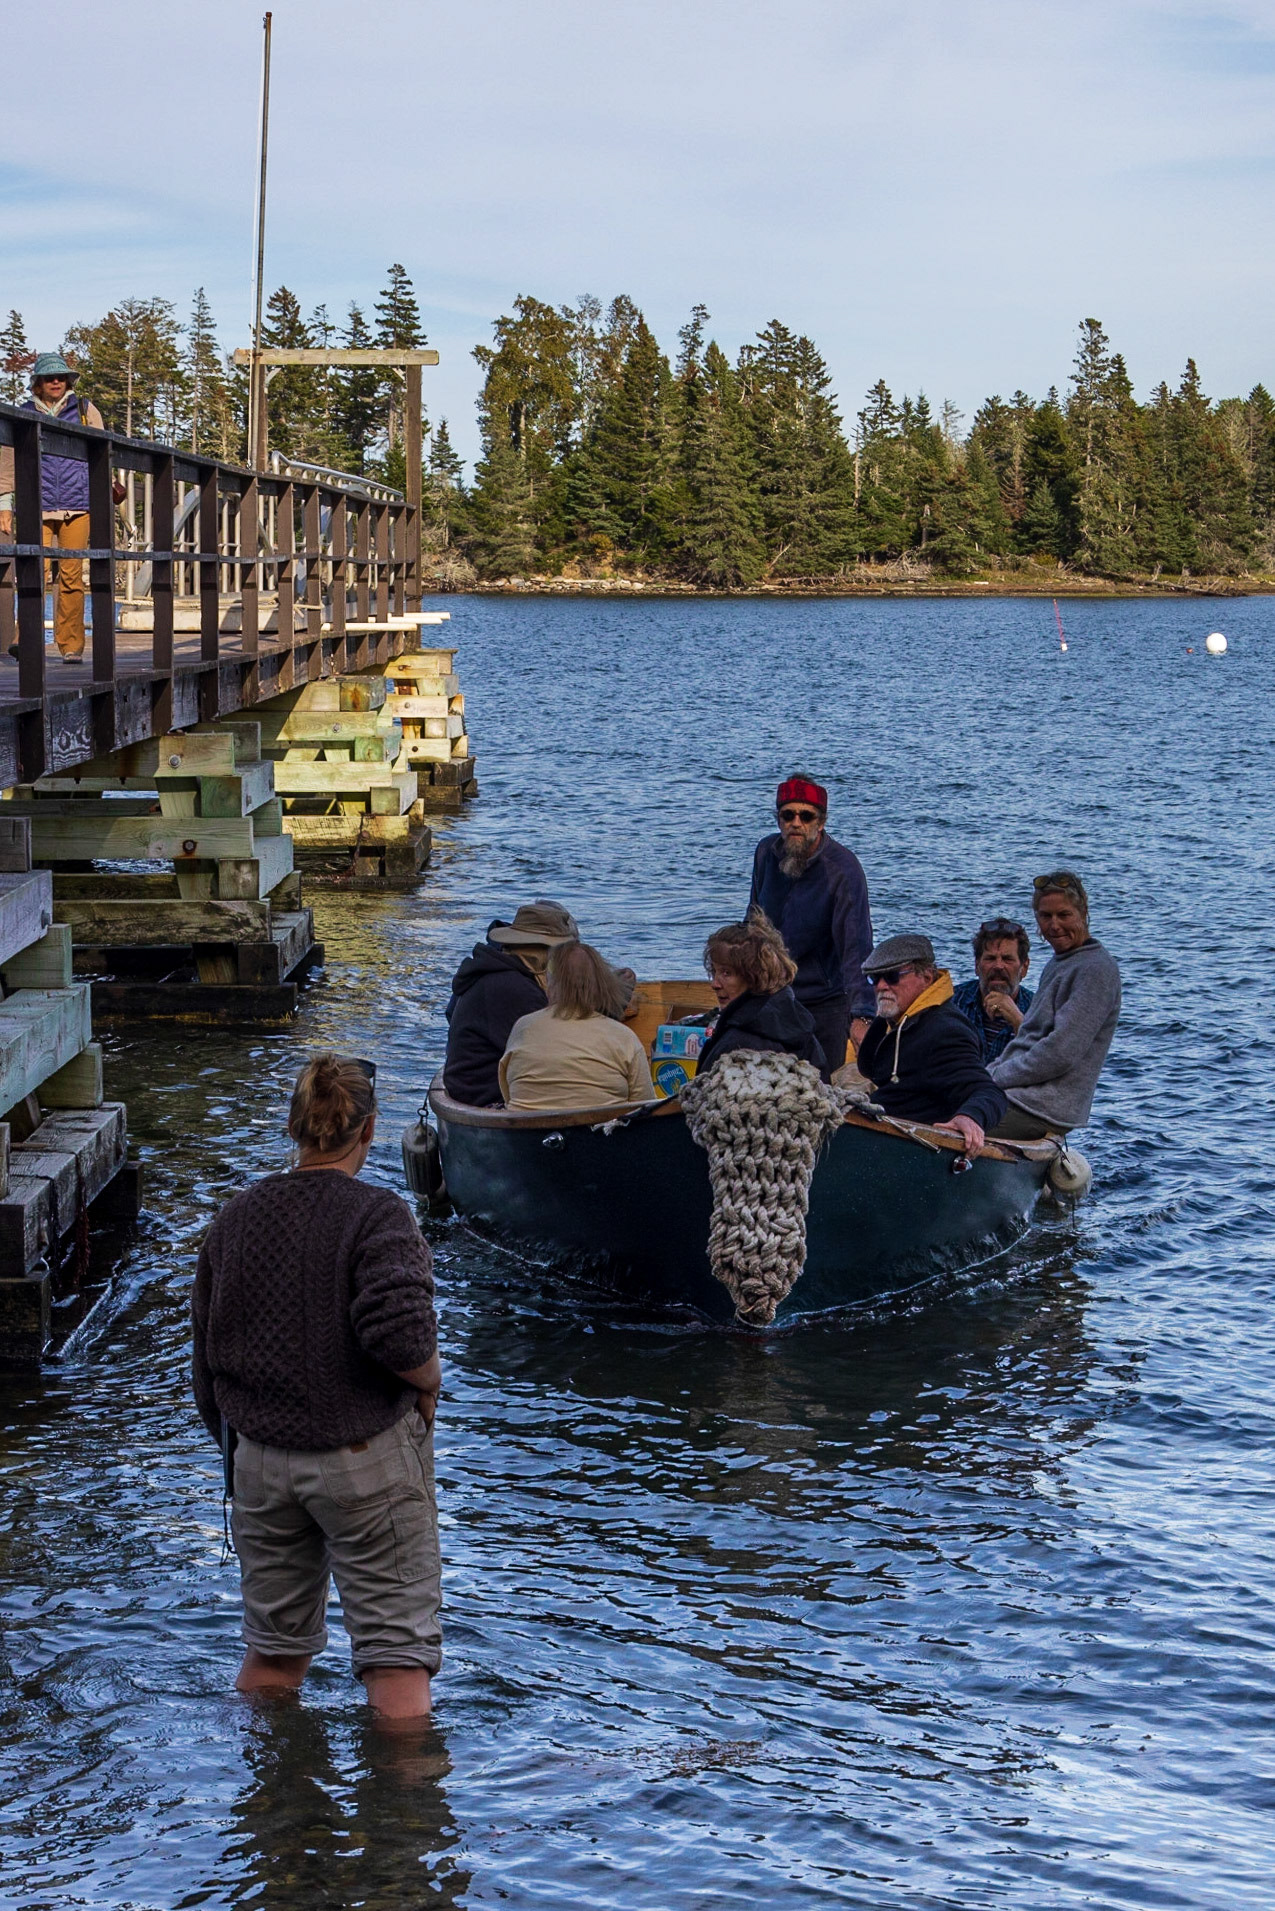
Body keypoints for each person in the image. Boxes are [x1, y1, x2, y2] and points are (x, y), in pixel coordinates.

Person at [192, 1054, 442, 1723]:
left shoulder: (237, 1216)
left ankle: (274, 1810)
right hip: (361, 1455)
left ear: (294, 1126)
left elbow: (207, 1355)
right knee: (396, 1660)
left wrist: (236, 1443)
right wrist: (429, 1382)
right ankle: (400, 1820)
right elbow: (400, 1334)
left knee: (272, 1656)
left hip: (258, 1459)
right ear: (367, 1130)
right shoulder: (377, 1214)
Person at [748, 775, 875, 1074]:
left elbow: (856, 948)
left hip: (824, 1002)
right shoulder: (765, 853)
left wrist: (863, 1015)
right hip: (771, 995)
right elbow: (753, 923)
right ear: (778, 819)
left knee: (818, 1091)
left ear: (821, 822)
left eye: (806, 816)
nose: (796, 823)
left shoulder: (843, 870)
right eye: (787, 815)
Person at [989, 871, 1121, 1139]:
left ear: (1083, 913)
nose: (1054, 925)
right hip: (1019, 1096)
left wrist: (994, 1078)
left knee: (942, 1117)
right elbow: (1029, 1037)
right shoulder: (1060, 962)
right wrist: (986, 1074)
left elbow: (1059, 1053)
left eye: (1064, 915)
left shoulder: (1095, 970)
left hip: (1041, 1108)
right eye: (1045, 916)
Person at [855, 933, 1007, 1154]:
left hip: (906, 1148)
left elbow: (988, 1092)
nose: (881, 986)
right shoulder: (896, 1019)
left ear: (927, 977)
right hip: (880, 1130)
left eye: (892, 976)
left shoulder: (946, 1032)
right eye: (874, 978)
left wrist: (970, 1117)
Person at [0, 352, 106, 661]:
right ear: (38, 383)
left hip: (79, 504)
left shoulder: (86, 410)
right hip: (36, 504)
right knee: (34, 572)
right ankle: (28, 640)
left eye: (61, 376)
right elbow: (7, 460)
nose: (56, 381)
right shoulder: (21, 413)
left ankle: (71, 646)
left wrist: (100, 501)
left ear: (69, 380)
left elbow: (102, 456)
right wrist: (5, 503)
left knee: (72, 576)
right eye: (49, 377)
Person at [443, 900, 579, 1106]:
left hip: (476, 1093)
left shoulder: (498, 973)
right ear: (544, 953)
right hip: (488, 1100)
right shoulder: (515, 988)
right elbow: (556, 1051)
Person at [500, 941, 656, 1111]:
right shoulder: (623, 1037)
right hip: (599, 1135)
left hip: (525, 1133)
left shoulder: (523, 1027)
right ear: (600, 986)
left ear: (550, 984)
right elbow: (644, 1107)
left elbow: (508, 1093)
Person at [696, 913, 827, 1079]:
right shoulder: (801, 1025)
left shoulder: (736, 1043)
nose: (714, 984)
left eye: (726, 973)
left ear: (754, 976)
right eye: (714, 972)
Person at [954, 917, 1035, 1064]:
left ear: (1024, 967)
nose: (998, 966)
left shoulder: (1039, 1010)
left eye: (1007, 959)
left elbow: (1045, 1066)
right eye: (990, 958)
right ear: (977, 966)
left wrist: (1018, 1022)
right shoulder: (953, 1003)